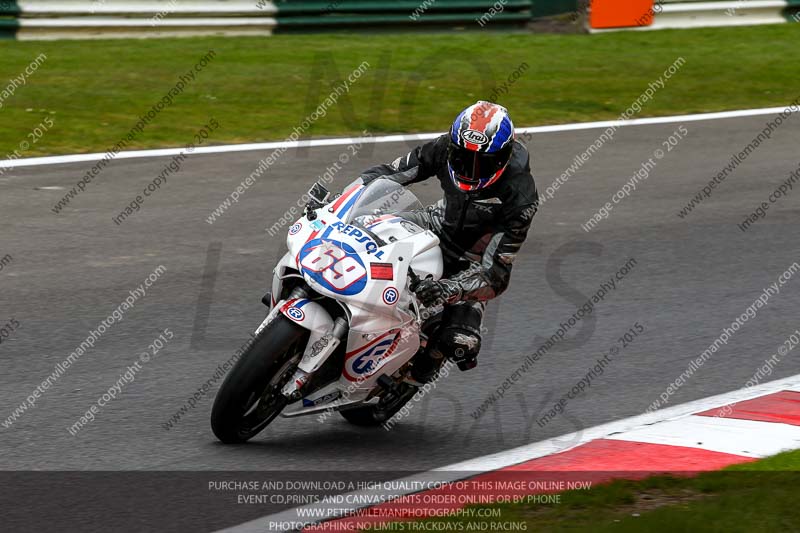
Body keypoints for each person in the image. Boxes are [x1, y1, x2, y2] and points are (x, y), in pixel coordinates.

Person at [359, 101, 539, 382]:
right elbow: (392, 172)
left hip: (470, 263)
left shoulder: (521, 196)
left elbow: (497, 275)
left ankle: (415, 376)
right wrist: (346, 197)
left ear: (503, 157)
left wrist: (448, 289)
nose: (471, 169)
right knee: (362, 229)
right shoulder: (444, 147)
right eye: (464, 158)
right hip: (433, 224)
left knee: (459, 342)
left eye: (484, 162)